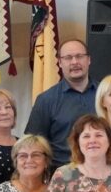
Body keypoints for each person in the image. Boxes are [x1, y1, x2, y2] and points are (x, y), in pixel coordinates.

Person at [25, 39, 97, 169]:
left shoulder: (106, 94)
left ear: (89, 60)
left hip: (103, 172)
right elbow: (33, 143)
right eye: (68, 58)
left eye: (79, 56)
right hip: (62, 174)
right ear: (60, 62)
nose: (74, 62)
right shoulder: (46, 100)